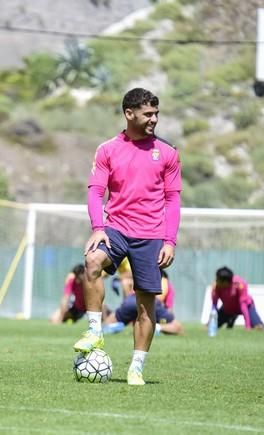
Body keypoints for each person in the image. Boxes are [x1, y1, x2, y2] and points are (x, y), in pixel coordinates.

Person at [73, 88, 182, 386]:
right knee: (92, 261)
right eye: (148, 114)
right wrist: (98, 227)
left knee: (145, 307)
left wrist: (170, 241)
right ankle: (94, 332)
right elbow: (96, 191)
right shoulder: (107, 149)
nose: (154, 119)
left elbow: (173, 200)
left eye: (156, 114)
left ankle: (136, 368)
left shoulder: (168, 153)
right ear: (129, 113)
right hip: (116, 229)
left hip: (151, 237)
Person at [210, 266, 264, 331]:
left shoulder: (239, 284)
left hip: (247, 307)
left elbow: (243, 305)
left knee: (258, 327)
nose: (216, 281)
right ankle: (231, 317)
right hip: (228, 309)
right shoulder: (216, 286)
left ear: (225, 282)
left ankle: (233, 317)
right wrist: (211, 323)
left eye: (218, 279)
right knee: (211, 326)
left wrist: (247, 326)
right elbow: (214, 305)